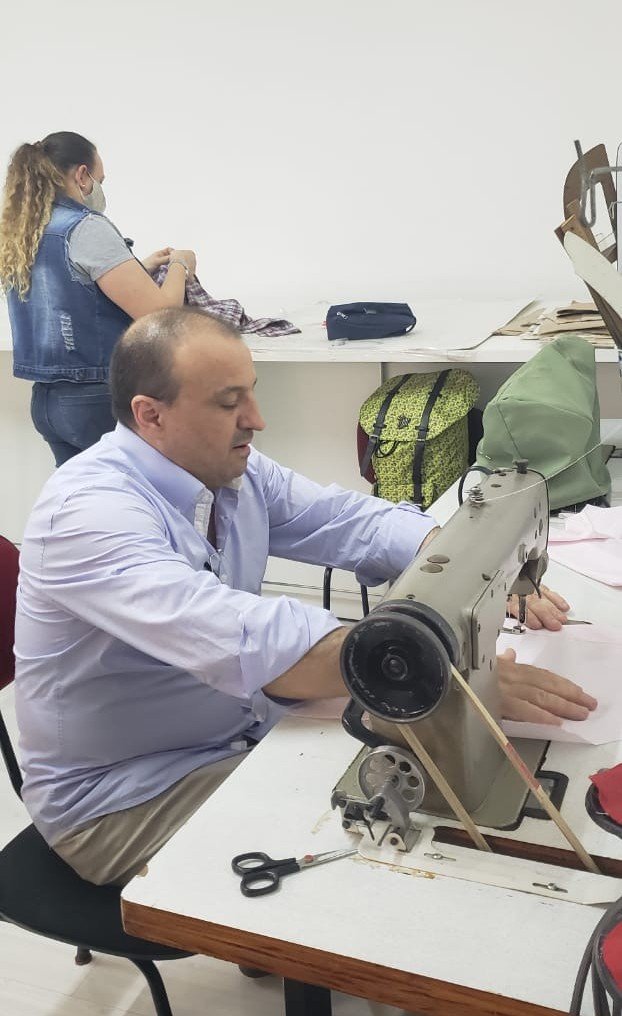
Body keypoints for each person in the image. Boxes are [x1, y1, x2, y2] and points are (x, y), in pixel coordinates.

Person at [13, 307, 597, 887]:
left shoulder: (228, 470)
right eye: (228, 402)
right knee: (391, 843)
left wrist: (472, 562)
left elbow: (345, 520)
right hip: (125, 798)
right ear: (150, 415)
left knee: (406, 785)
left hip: (232, 733)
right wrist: (447, 671)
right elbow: (241, 636)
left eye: (252, 394)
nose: (256, 419)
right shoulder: (87, 517)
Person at [0, 131, 196, 465]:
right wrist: (181, 263)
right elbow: (162, 314)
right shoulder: (86, 227)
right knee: (132, 505)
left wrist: (139, 267)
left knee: (84, 507)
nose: (100, 186)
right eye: (99, 178)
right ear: (81, 174)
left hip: (47, 402)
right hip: (97, 398)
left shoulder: (22, 231)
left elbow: (69, 285)